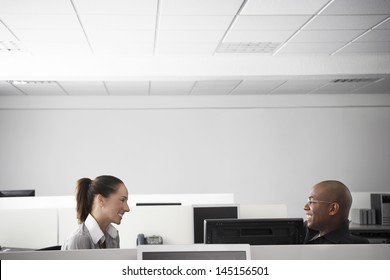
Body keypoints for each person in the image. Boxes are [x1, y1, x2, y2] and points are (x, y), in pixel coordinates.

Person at [62, 175, 130, 250]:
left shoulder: (113, 236)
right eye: (122, 200)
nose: (127, 208)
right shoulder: (79, 240)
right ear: (101, 200)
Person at [303, 180, 369, 244]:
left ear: (332, 209)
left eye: (311, 202)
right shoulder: (301, 230)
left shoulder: (355, 247)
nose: (305, 207)